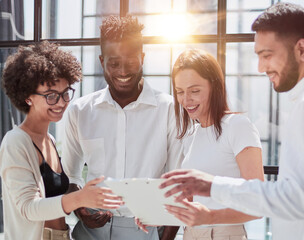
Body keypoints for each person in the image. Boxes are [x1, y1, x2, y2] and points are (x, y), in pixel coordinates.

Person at [159, 2, 304, 240]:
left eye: (267, 55)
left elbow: (300, 199)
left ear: (301, 50)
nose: (261, 68)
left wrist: (212, 186)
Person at [61, 15, 183, 240]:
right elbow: (70, 178)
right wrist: (81, 210)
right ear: (101, 61)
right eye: (114, 63)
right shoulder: (80, 111)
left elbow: (177, 185)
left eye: (131, 62)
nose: (123, 71)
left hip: (146, 228)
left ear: (143, 58)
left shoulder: (170, 110)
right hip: (90, 231)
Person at [0, 41, 121, 240]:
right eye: (51, 96)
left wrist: (83, 205)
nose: (62, 102)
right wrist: (78, 198)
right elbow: (28, 208)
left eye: (65, 93)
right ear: (27, 96)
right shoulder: (15, 142)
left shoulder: (50, 140)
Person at [156, 49, 264, 240]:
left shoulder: (238, 127)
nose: (186, 100)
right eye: (180, 92)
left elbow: (258, 205)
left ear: (214, 86)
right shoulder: (191, 135)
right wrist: (155, 215)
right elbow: (192, 204)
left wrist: (211, 217)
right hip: (191, 234)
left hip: (224, 234)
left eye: (195, 91)